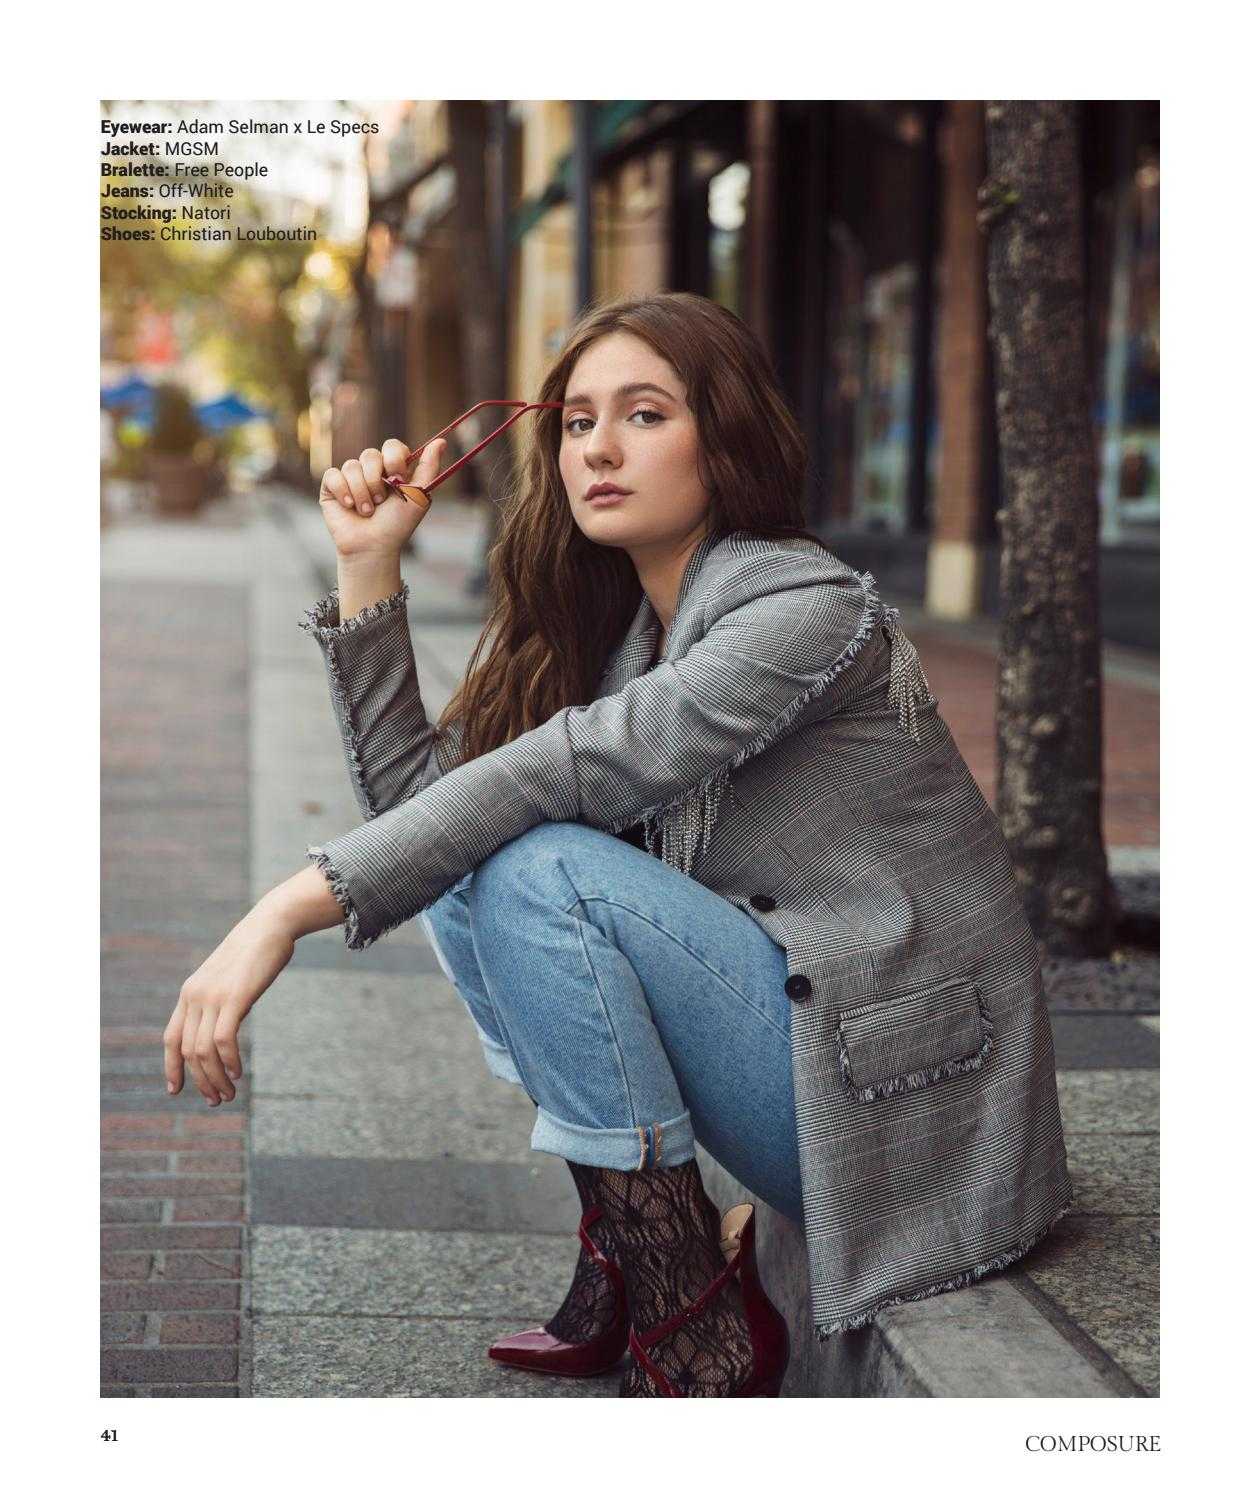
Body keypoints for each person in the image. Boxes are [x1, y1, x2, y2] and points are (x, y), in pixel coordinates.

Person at [162, 291, 1073, 1398]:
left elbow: (565, 770)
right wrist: (368, 565)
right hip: (801, 1038)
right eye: (580, 420)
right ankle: (635, 1242)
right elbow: (421, 815)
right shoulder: (625, 629)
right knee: (477, 855)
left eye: (645, 414)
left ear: (725, 436)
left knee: (539, 865)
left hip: (913, 1105)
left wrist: (286, 909)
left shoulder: (804, 609)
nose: (598, 447)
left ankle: (687, 1302)